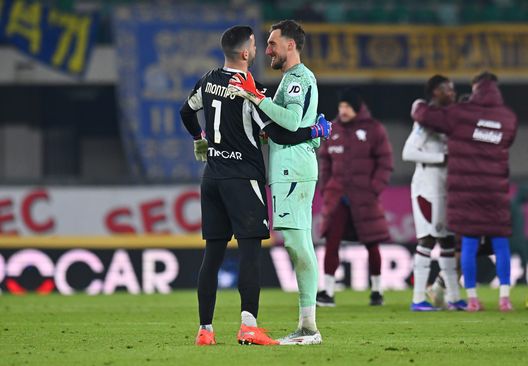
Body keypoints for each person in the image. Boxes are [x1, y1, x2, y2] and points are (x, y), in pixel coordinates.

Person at [179, 25, 331, 346]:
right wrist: (314, 132)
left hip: (212, 178)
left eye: (271, 44)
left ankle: (205, 330)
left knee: (213, 254)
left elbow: (186, 112)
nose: (264, 49)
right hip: (243, 177)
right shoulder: (252, 89)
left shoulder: (207, 80)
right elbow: (280, 132)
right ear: (246, 53)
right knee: (250, 252)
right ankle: (249, 325)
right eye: (257, 44)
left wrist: (199, 139)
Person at [229, 20, 323, 345]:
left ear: (290, 46)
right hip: (290, 167)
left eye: (272, 43)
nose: (267, 50)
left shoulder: (298, 78)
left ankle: (310, 328)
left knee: (298, 244)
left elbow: (293, 120)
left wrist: (257, 98)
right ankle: (307, 325)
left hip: (293, 168)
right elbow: (295, 125)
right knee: (299, 244)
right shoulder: (290, 79)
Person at [411, 71, 518, 312]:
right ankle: (504, 298)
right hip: (495, 190)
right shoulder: (508, 118)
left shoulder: (460, 114)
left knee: (467, 244)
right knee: (500, 244)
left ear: (475, 88)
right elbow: (507, 140)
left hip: (466, 192)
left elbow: (425, 115)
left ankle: (471, 298)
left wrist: (418, 104)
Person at [316, 89, 393, 307]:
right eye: (341, 107)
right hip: (338, 196)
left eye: (348, 106)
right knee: (332, 242)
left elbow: (385, 163)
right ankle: (328, 291)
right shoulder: (333, 129)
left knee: (372, 243)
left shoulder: (374, 129)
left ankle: (377, 290)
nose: (343, 111)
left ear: (357, 108)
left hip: (364, 197)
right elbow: (325, 162)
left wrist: (373, 189)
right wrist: (327, 188)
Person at [402, 75, 466, 311]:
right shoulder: (425, 121)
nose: (451, 92)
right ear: (435, 93)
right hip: (426, 188)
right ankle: (418, 298)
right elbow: (408, 152)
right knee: (427, 240)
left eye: (452, 88)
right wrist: (443, 158)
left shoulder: (448, 120)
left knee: (448, 241)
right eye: (446, 89)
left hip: (445, 188)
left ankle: (454, 297)